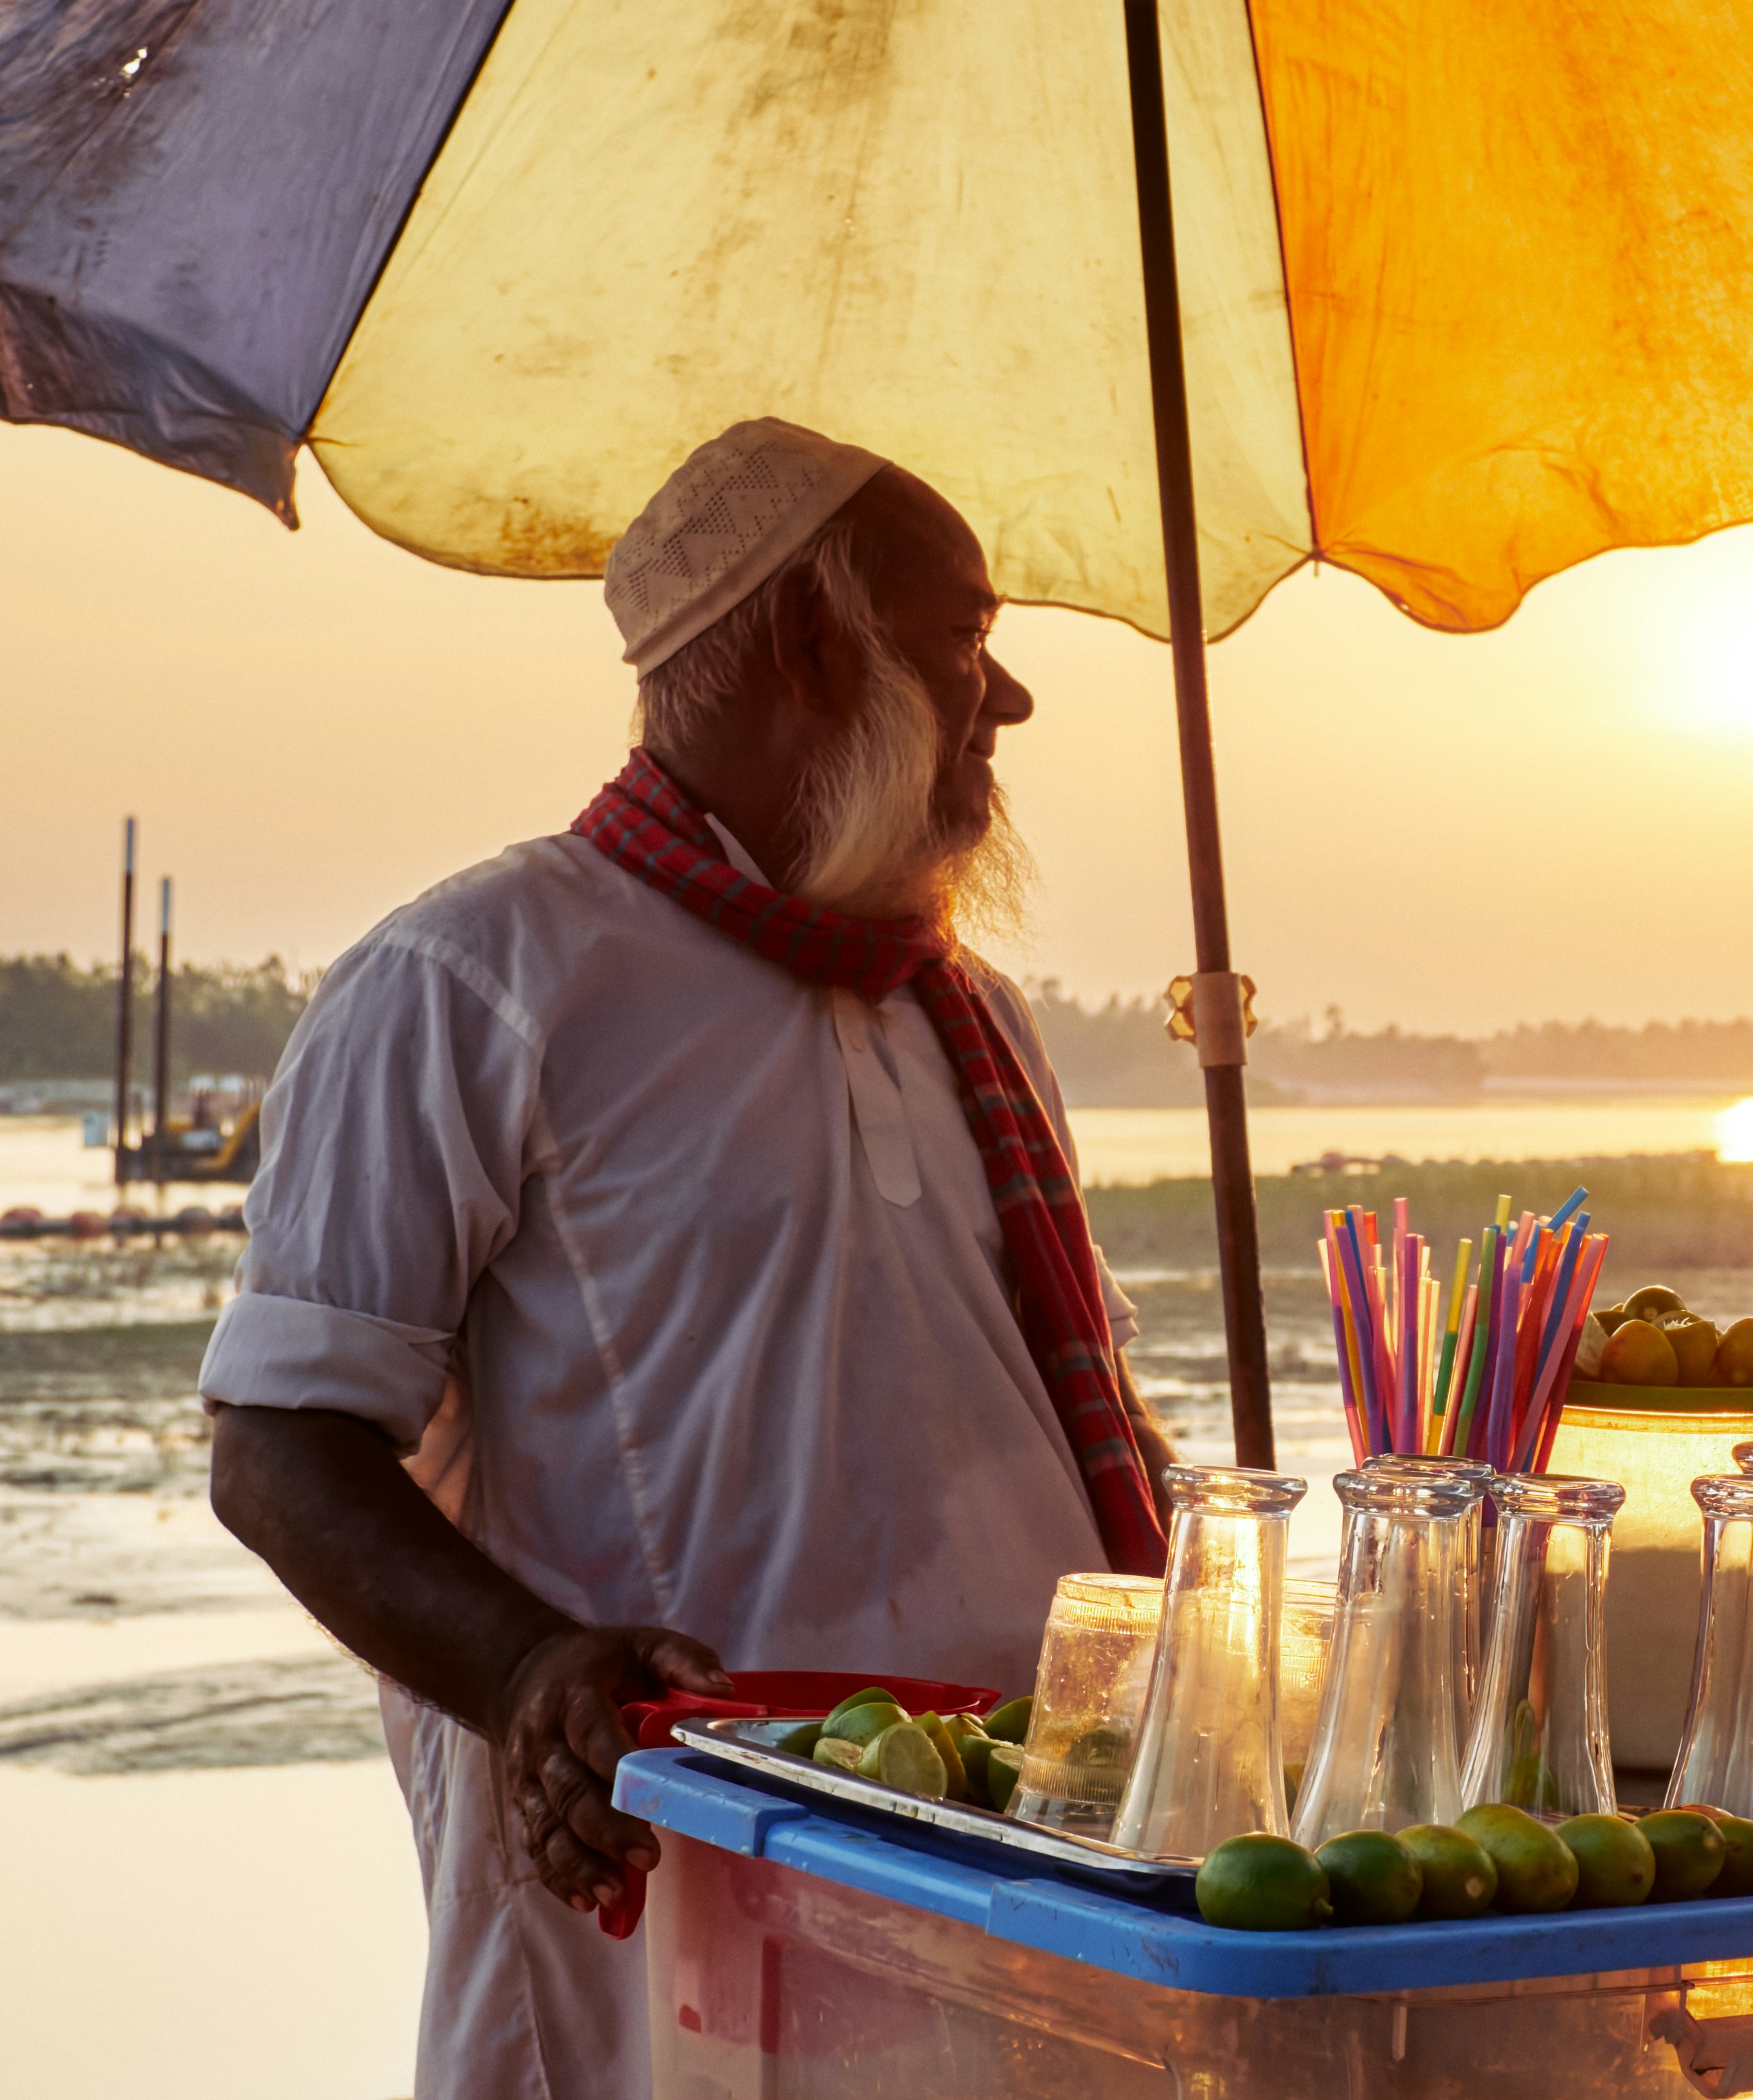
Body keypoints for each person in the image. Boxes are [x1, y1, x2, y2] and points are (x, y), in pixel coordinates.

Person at [198, 420, 1175, 2100]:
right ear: (813, 643)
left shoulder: (970, 1014)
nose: (1003, 699)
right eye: (962, 640)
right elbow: (280, 1448)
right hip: (672, 1904)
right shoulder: (473, 977)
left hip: (1031, 1891)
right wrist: (524, 1673)